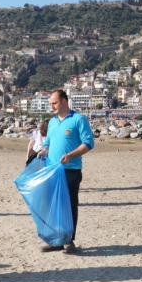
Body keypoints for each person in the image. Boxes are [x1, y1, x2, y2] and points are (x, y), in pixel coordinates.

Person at [37, 89, 94, 254]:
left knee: (68, 206)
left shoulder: (79, 120)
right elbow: (47, 142)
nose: (52, 106)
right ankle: (56, 240)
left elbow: (88, 143)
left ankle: (69, 241)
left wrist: (70, 155)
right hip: (52, 170)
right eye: (50, 104)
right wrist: (43, 151)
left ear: (64, 101)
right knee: (52, 206)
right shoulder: (52, 122)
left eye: (54, 103)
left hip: (71, 170)